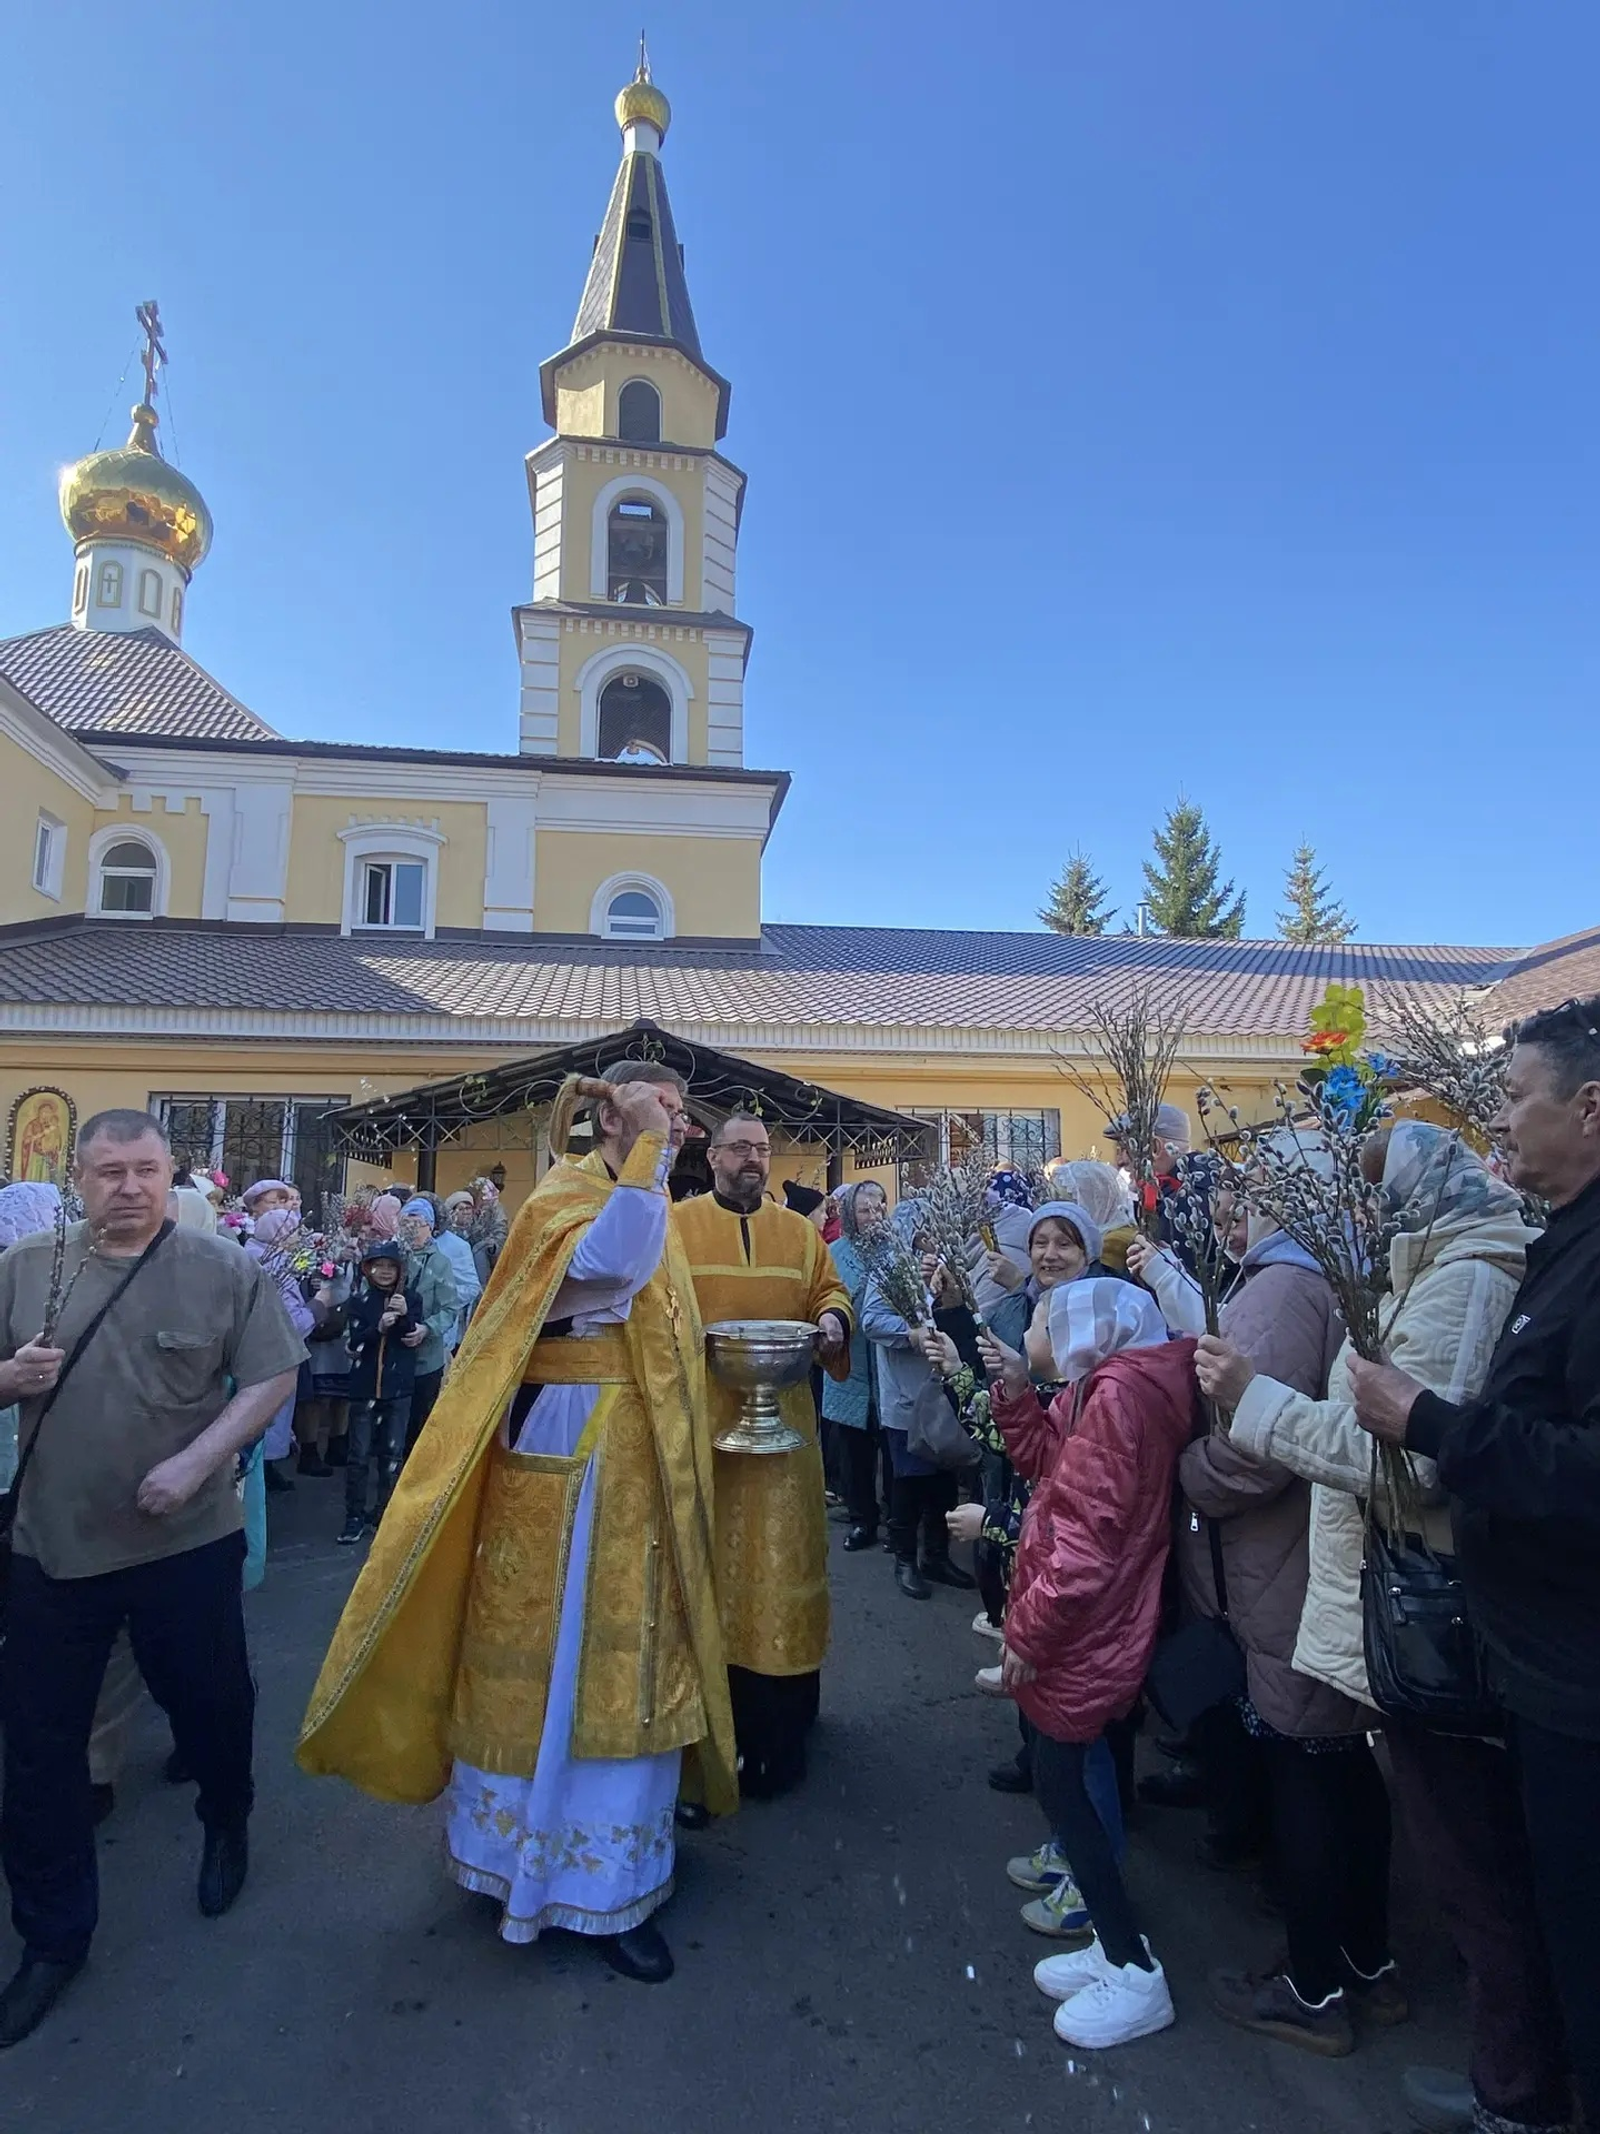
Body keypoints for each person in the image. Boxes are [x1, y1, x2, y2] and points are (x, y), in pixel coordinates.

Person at [298, 1065, 735, 1986]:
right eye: (661, 1107)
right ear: (612, 1113)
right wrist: (651, 1154)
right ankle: (529, 1867)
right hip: (571, 1447)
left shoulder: (642, 1190)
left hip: (645, 1453)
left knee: (634, 1649)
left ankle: (617, 1872)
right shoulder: (569, 1194)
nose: (679, 1122)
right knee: (560, 1646)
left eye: (682, 1111)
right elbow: (613, 1265)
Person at [1198, 1122, 1560, 2133]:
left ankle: (1515, 2091)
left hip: (1417, 1604)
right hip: (1387, 1594)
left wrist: (1247, 1399)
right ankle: (1485, 2051)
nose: (1357, 1214)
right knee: (1424, 1825)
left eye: (1371, 1190)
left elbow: (1403, 1452)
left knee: (1466, 1862)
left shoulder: (1464, 1277)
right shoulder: (1433, 1266)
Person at [1349, 999, 1600, 2134]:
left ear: (1587, 1108)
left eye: (1513, 1097)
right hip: (1533, 1659)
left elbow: (1581, 1464)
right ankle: (1530, 2090)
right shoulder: (1564, 1237)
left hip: (1578, 1672)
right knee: (1544, 1906)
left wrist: (1429, 1422)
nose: (1493, 1122)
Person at [0, 1110, 303, 2047]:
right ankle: (53, 1940)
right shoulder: (23, 1267)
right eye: (106, 1172)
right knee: (34, 1753)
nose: (126, 1188)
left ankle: (226, 1817)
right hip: (49, 1549)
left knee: (210, 1706)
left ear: (172, 1176)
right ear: (76, 1180)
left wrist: (198, 1460)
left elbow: (270, 1381)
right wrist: (7, 1379)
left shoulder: (222, 1270)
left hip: (184, 1545)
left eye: (144, 1171)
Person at [1137, 1156, 1393, 2055]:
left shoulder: (1287, 1286)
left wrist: (1179, 1474)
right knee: (1334, 1761)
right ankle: (1365, 1960)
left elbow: (1257, 1446)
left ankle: (1315, 1985)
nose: (1225, 1208)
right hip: (1292, 1560)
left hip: (1282, 1565)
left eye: (1242, 1193)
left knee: (1309, 1761)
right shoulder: (1311, 1273)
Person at [982, 1280, 1195, 2050]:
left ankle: (1137, 1971)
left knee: (1062, 1778)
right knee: (1057, 1771)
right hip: (1081, 1618)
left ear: (1086, 1331)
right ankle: (1111, 1943)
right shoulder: (1097, 1390)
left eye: (1043, 1318)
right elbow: (1046, 1463)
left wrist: (1028, 1634)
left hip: (1085, 1624)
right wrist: (1013, 1391)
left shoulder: (1119, 1401)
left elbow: (1082, 1542)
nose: (1033, 1324)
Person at [675, 1114, 851, 1798]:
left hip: (786, 1438)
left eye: (762, 1149)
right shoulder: (677, 1227)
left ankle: (783, 1732)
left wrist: (834, 1320)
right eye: (740, 1147)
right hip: (706, 1433)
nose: (753, 1158)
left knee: (784, 1567)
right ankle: (712, 1732)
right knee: (712, 1571)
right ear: (713, 1155)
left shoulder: (799, 1232)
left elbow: (828, 1292)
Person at [861, 1202, 979, 1604]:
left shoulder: (948, 1266)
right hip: (908, 1395)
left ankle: (937, 1555)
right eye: (926, 1228)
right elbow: (871, 1321)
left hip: (945, 1391)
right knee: (909, 1480)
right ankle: (905, 1558)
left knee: (944, 1477)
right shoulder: (892, 1267)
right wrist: (911, 1334)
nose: (932, 1236)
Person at [338, 1241, 422, 1544]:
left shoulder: (411, 1298)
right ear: (367, 1268)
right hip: (363, 1390)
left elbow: (411, 1337)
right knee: (358, 1455)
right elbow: (356, 1343)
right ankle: (354, 1516)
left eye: (391, 1266)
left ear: (400, 1271)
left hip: (398, 1390)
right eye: (379, 1266)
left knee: (392, 1454)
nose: (384, 1272)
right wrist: (379, 1327)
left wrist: (404, 1318)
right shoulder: (360, 1300)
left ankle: (384, 1513)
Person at [824, 1181, 889, 1552]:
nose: (873, 1216)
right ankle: (862, 1519)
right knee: (854, 1450)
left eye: (879, 1208)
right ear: (850, 1213)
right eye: (864, 1210)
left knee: (893, 1448)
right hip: (848, 1365)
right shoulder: (834, 1252)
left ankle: (896, 1522)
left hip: (887, 1365)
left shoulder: (896, 1251)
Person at [396, 1197, 459, 1454]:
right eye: (406, 1221)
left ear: (430, 1227)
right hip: (391, 1356)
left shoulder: (440, 1262)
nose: (411, 1228)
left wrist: (427, 1328)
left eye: (418, 1222)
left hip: (425, 1359)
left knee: (418, 1421)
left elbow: (449, 1308)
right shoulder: (391, 1256)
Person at [434, 1193, 483, 1347]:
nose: (466, 1212)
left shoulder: (480, 1230)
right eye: (461, 1208)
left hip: (471, 1286)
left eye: (469, 1208)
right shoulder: (444, 1236)